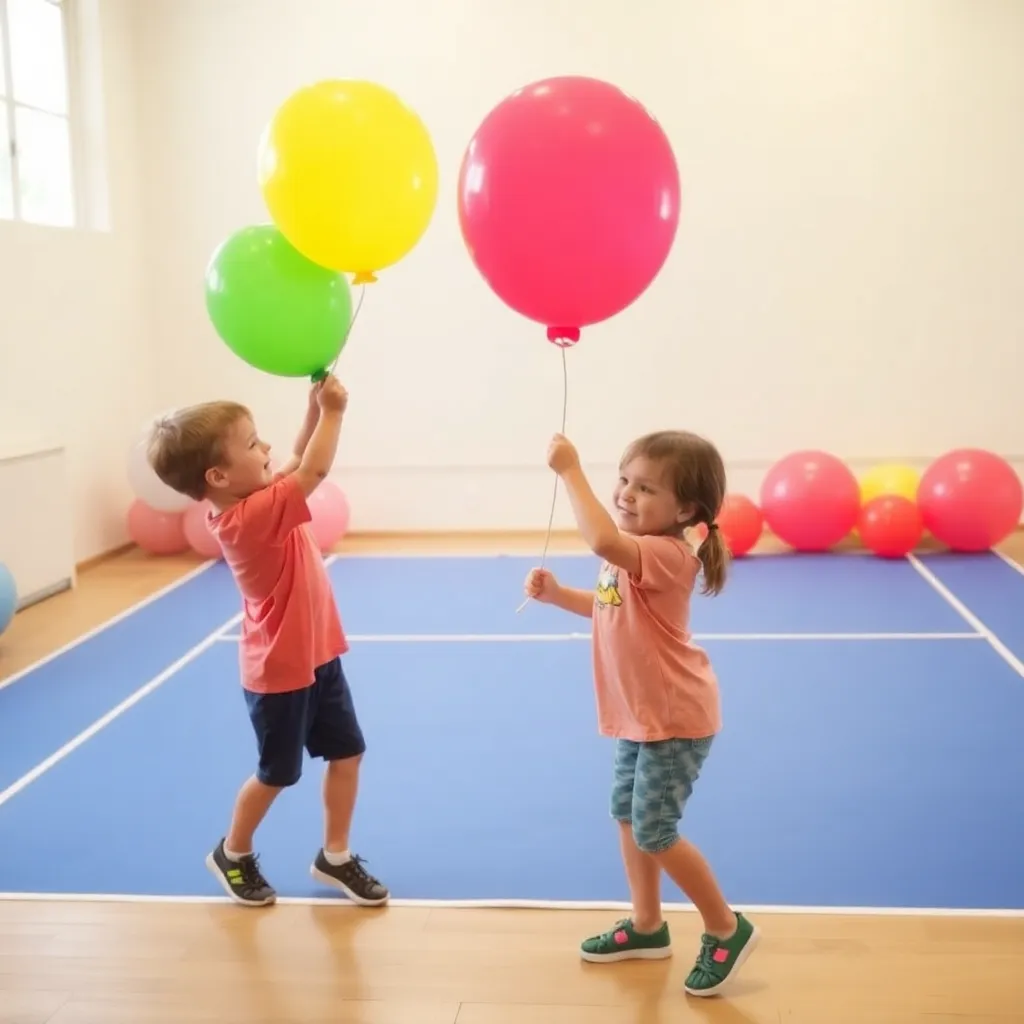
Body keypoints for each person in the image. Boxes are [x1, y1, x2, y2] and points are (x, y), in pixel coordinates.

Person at [523, 430, 758, 998]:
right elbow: (609, 608)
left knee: (655, 830)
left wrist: (571, 470)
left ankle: (727, 927)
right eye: (624, 480)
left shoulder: (666, 552)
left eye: (645, 487)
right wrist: (560, 597)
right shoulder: (634, 548)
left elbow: (601, 539)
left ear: (685, 510)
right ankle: (648, 926)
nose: (627, 494)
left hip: (674, 719)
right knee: (627, 816)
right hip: (640, 715)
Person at [146, 376, 388, 909]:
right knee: (277, 774)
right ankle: (233, 851)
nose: (267, 448)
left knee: (348, 753)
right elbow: (314, 469)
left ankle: (336, 856)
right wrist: (336, 412)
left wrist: (311, 410)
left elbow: (300, 455)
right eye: (253, 444)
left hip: (318, 656)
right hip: (280, 671)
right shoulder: (249, 517)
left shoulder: (256, 494)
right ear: (218, 476)